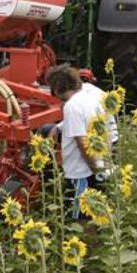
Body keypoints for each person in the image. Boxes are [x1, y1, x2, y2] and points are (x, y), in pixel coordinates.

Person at [45, 65, 114, 217]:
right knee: (97, 214)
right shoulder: (92, 97)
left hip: (81, 173)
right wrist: (104, 164)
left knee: (81, 218)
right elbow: (106, 128)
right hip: (100, 166)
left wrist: (95, 168)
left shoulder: (72, 106)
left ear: (57, 88)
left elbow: (81, 142)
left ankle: (86, 240)